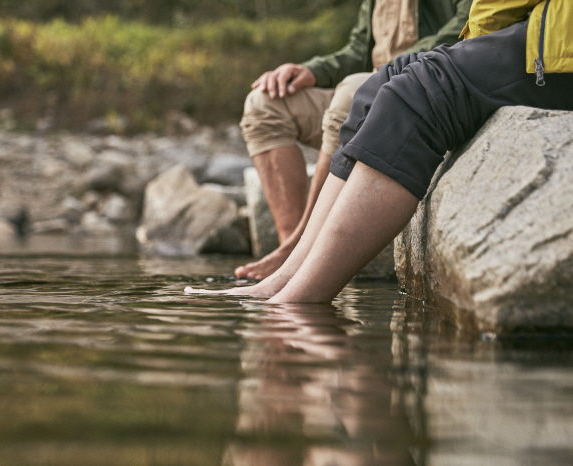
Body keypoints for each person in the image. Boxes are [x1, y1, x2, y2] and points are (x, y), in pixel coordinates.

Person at [188, 0, 573, 303]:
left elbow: (474, 21)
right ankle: (287, 274)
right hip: (546, 38)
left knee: (406, 92)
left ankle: (300, 297)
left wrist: (468, 52)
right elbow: (360, 46)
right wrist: (316, 69)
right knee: (375, 89)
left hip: (553, 50)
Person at [236, 0, 472, 281]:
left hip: (422, 94)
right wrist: (313, 70)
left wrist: (388, 71)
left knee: (351, 92)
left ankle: (302, 250)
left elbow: (463, 30)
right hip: (373, 88)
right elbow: (360, 50)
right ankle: (291, 248)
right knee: (264, 103)